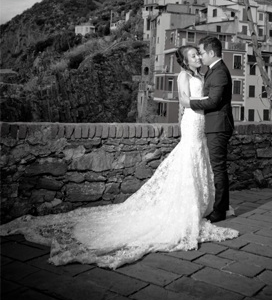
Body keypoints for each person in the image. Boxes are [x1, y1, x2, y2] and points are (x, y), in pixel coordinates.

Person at [0, 45, 239, 269]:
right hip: (192, 121)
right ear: (186, 62)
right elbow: (184, 101)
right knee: (189, 158)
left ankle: (198, 205)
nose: (198, 56)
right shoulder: (184, 76)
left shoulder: (202, 75)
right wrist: (201, 106)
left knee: (197, 159)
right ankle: (186, 210)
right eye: (193, 55)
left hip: (201, 124)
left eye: (198, 53)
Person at [180, 36, 233, 223]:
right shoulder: (212, 70)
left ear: (211, 53)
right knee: (216, 167)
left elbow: (214, 101)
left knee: (218, 168)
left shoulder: (219, 72)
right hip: (209, 124)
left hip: (218, 126)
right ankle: (219, 206)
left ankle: (219, 211)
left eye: (201, 53)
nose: (200, 57)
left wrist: (189, 103)